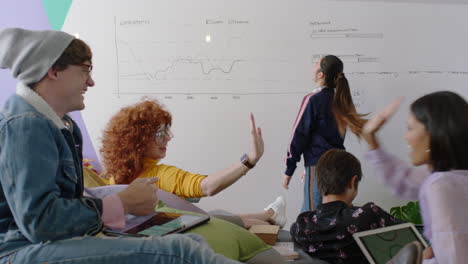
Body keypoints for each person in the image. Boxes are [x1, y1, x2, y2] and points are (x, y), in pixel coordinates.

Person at [0, 27, 241, 264]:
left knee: (193, 244)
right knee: (182, 252)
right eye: (86, 70)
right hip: (19, 251)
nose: (91, 82)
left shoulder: (61, 126)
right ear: (53, 70)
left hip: (46, 243)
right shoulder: (26, 125)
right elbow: (40, 222)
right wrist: (121, 203)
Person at [100, 99, 287, 227]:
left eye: (167, 131)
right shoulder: (160, 176)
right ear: (138, 140)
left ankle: (269, 214)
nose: (167, 138)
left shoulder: (114, 177)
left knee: (218, 217)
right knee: (220, 220)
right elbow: (207, 187)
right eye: (160, 134)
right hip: (176, 236)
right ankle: (269, 216)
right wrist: (249, 161)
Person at [362, 91, 468, 264]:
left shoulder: (440, 185)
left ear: (434, 134)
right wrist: (371, 139)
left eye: (410, 128)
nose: (406, 137)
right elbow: (403, 180)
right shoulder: (451, 177)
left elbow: (454, 256)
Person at [282, 55, 367, 212]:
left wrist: (290, 168)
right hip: (337, 165)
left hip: (319, 165)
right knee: (332, 214)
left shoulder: (313, 99)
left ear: (321, 74)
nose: (313, 66)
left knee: (311, 215)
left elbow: (298, 135)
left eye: (316, 64)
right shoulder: (340, 100)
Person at [290, 149, 402, 264]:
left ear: (318, 184)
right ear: (352, 182)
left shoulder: (301, 225)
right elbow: (410, 232)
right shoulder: (369, 215)